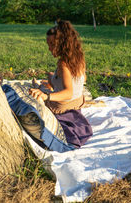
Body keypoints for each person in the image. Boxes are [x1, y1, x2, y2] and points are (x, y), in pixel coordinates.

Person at [29, 20, 93, 148]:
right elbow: (82, 79)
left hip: (62, 108)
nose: (49, 48)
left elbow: (68, 92)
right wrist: (54, 78)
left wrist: (45, 96)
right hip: (77, 103)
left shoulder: (63, 64)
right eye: (48, 44)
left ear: (62, 43)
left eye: (52, 44)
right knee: (44, 86)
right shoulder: (79, 58)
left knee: (31, 96)